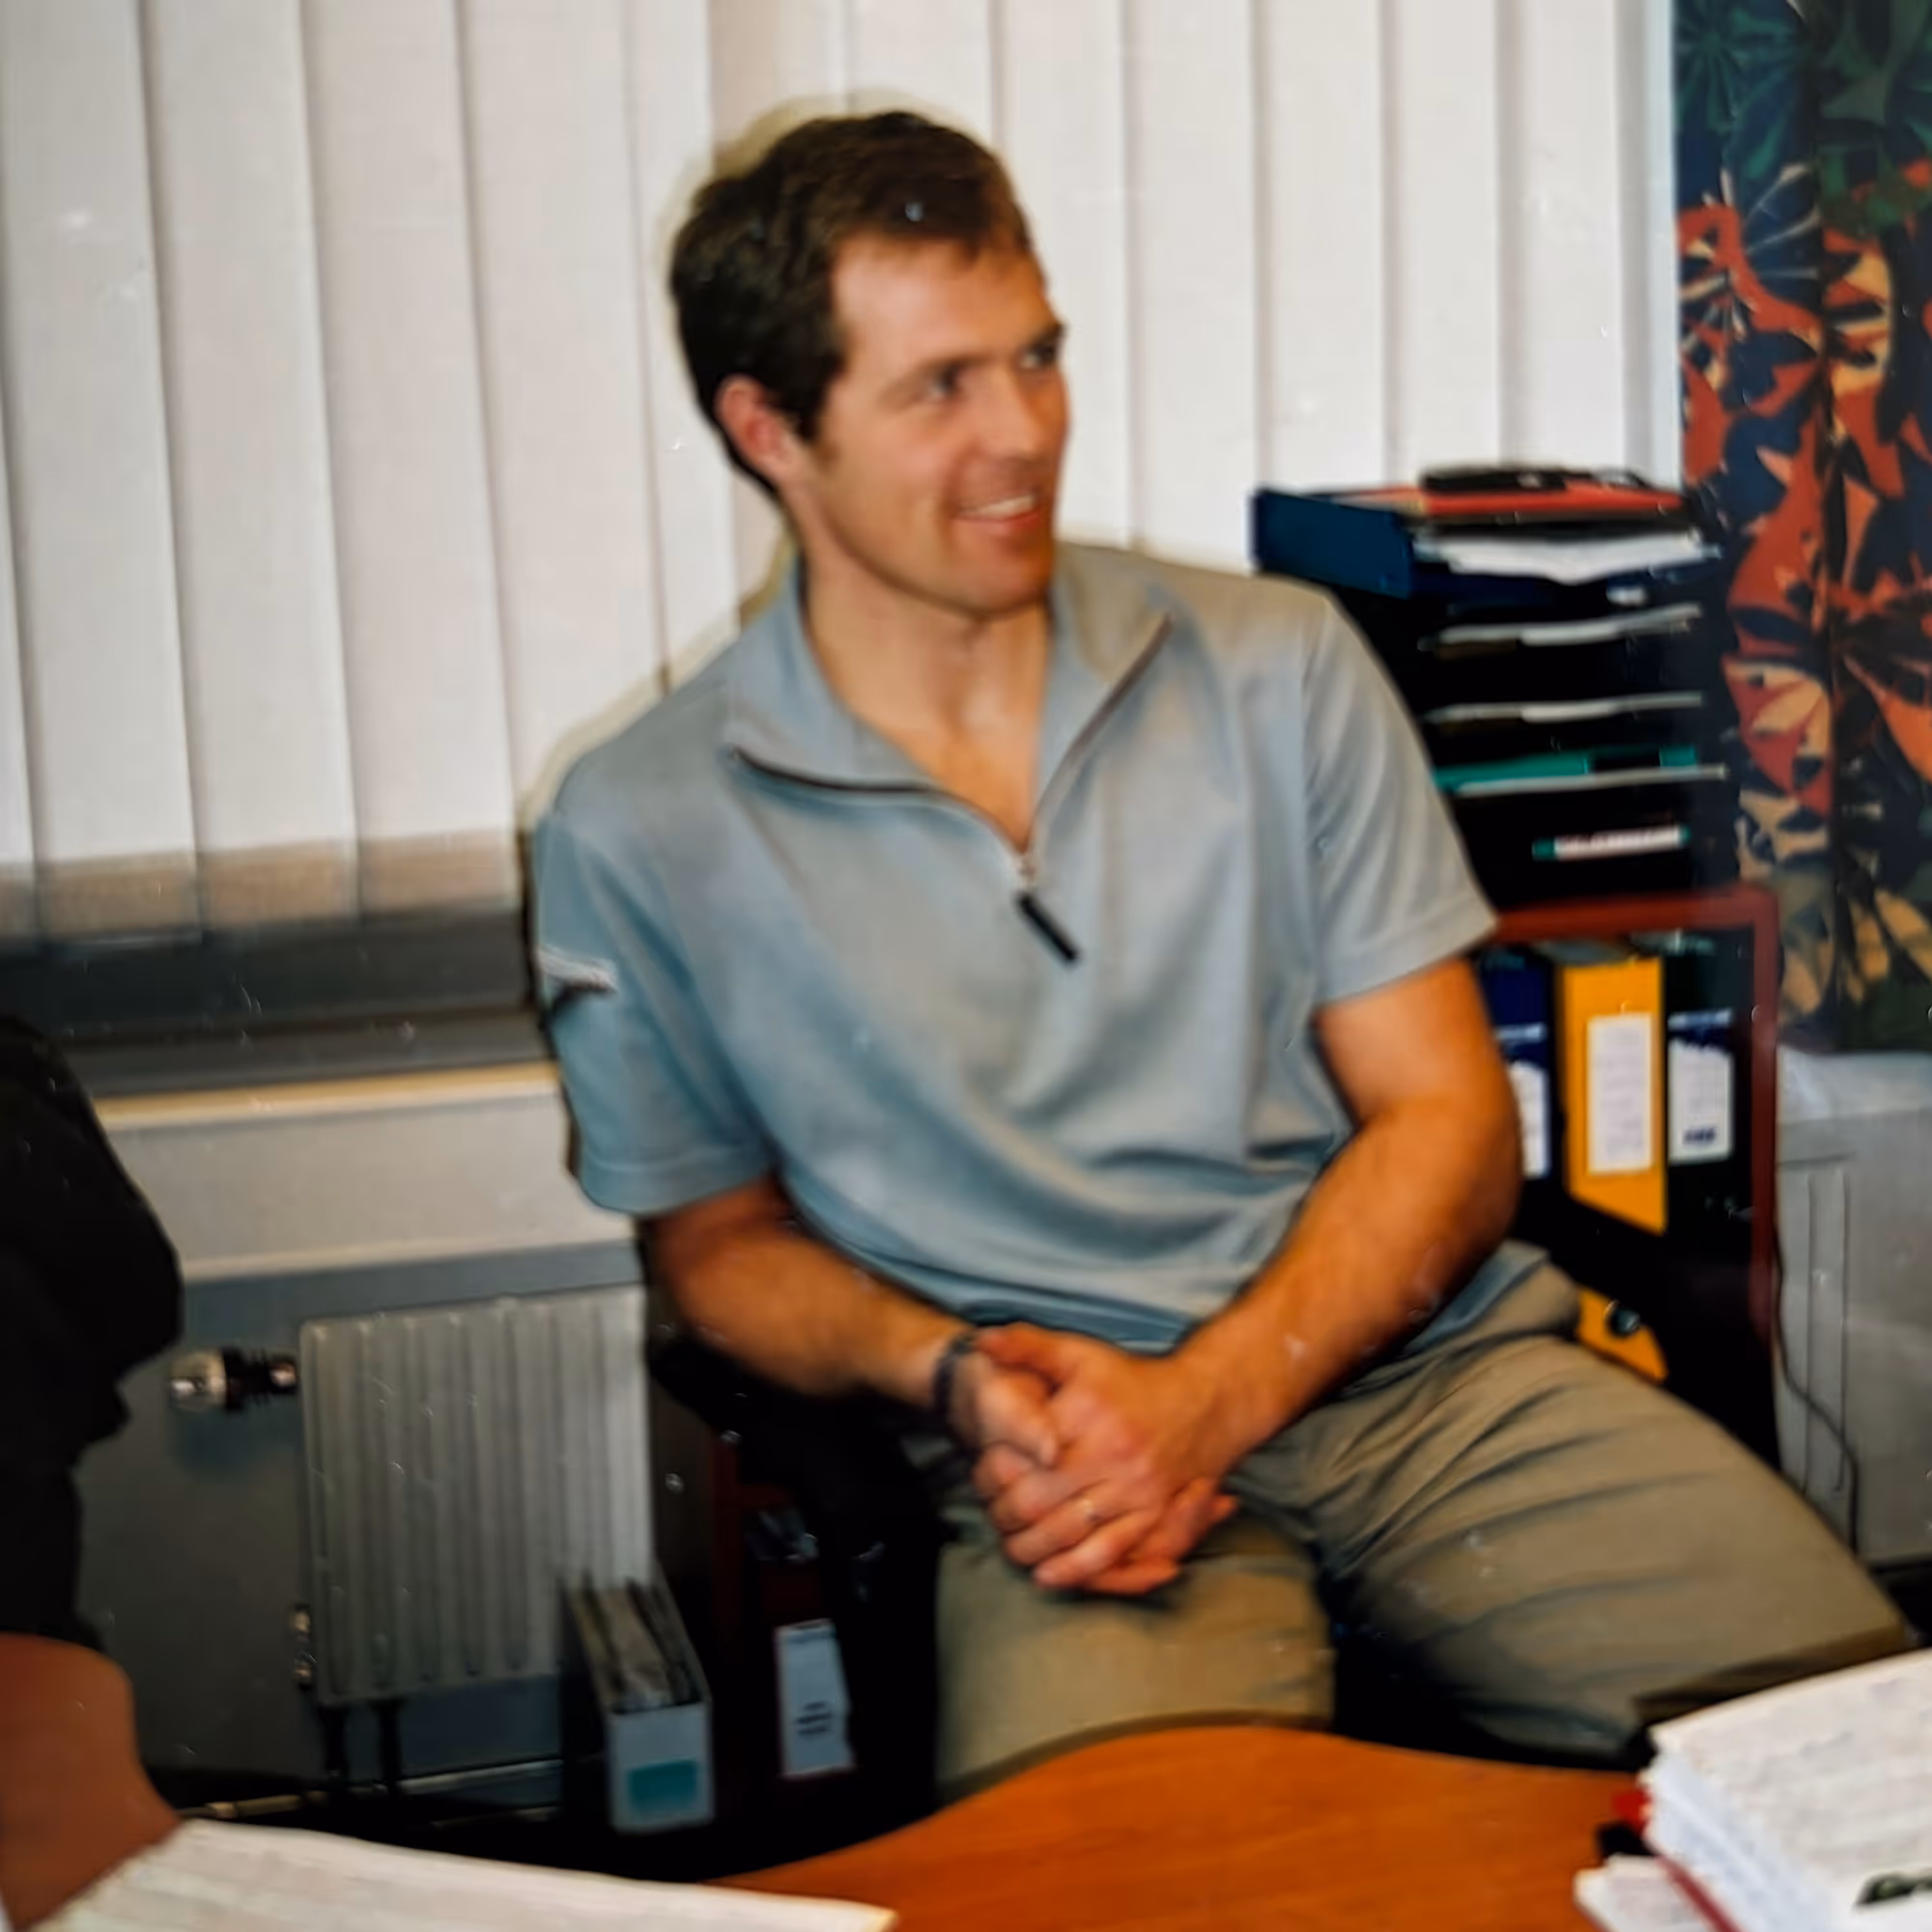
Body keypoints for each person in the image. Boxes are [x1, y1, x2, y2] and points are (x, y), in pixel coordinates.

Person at [531, 110, 1910, 1793]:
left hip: (1418, 1388)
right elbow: (716, 1242)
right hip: (1060, 1473)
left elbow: (1451, 1126)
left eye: (1034, 358)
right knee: (1155, 1878)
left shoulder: (1275, 667)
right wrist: (951, 1376)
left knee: (1859, 1782)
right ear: (770, 430)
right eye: (937, 388)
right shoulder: (641, 824)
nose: (1020, 433)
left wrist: (1209, 1402)